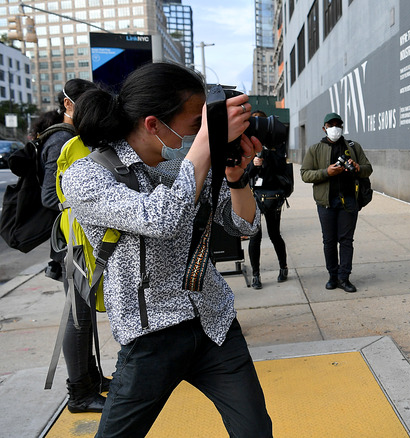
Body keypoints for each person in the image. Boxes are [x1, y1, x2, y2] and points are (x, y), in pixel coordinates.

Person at [62, 62, 273, 437]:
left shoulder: (185, 165)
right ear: (153, 124)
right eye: (196, 125)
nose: (198, 135)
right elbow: (160, 220)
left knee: (255, 430)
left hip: (213, 322)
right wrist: (206, 146)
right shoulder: (87, 175)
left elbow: (244, 225)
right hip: (151, 336)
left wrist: (237, 179)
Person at [40, 79, 111, 414]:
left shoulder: (81, 138)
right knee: (77, 316)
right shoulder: (62, 140)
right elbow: (50, 196)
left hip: (84, 241)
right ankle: (78, 393)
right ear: (69, 105)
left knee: (85, 314)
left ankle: (92, 378)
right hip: (72, 246)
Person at [301, 112, 372, 293]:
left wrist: (357, 167)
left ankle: (344, 277)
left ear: (342, 127)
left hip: (349, 200)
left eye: (337, 125)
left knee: (346, 240)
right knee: (329, 241)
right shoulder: (315, 149)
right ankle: (332, 276)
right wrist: (326, 172)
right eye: (331, 125)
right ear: (324, 128)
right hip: (326, 202)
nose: (334, 128)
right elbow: (305, 174)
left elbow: (368, 168)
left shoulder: (353, 147)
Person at [245, 110, 289, 289]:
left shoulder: (276, 144)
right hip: (253, 195)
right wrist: (254, 164)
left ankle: (283, 267)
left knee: (274, 234)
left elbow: (281, 167)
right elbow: (245, 174)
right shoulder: (246, 144)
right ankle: (256, 274)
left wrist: (266, 155)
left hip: (272, 194)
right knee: (255, 236)